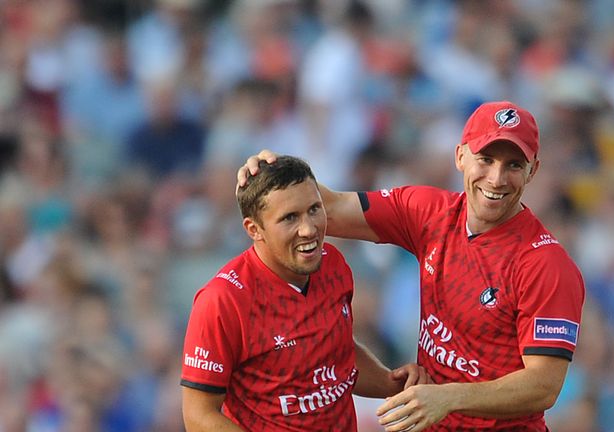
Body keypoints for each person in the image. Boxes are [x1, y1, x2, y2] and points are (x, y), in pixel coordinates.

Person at [238, 101, 586, 431]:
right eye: (486, 158)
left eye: (513, 165)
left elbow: (543, 386)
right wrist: (274, 171)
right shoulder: (429, 212)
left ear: (533, 171)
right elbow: (330, 207)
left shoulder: (545, 265)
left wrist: (448, 397)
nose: (496, 178)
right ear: (460, 156)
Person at [181, 155, 428, 431]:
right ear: (254, 229)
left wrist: (391, 383)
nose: (309, 229)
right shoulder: (223, 300)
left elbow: (337, 352)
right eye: (290, 218)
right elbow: (198, 417)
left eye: (314, 209)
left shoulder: (332, 264)